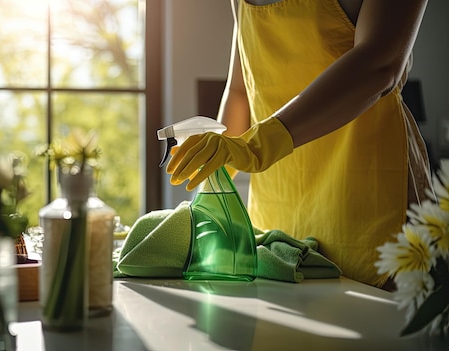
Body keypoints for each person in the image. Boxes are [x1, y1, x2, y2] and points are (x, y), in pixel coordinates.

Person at [166, 0, 432, 289]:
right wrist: (211, 186)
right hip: (278, 220)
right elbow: (242, 89)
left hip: (370, 211)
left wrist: (258, 145)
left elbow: (379, 63)